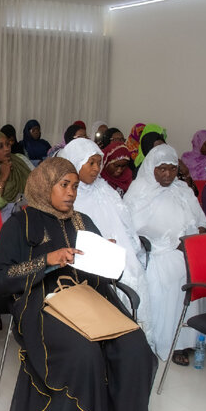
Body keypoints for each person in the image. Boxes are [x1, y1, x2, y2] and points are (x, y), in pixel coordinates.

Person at [0, 157, 157, 411]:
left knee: (136, 347)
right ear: (44, 185)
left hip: (89, 298)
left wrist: (107, 255)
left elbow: (106, 272)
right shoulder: (20, 223)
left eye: (75, 186)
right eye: (64, 185)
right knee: (85, 353)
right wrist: (47, 260)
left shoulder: (83, 221)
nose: (71, 193)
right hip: (42, 304)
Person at [124, 144, 206, 366]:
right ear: (152, 167)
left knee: (191, 269)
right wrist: (172, 242)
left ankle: (184, 339)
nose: (168, 174)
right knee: (173, 272)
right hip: (155, 251)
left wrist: (198, 230)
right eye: (162, 169)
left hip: (186, 248)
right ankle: (164, 341)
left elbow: (199, 217)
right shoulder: (139, 190)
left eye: (172, 169)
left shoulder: (182, 189)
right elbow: (132, 227)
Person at [60, 138, 150, 325]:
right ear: (75, 163)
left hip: (118, 252)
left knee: (133, 276)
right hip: (81, 262)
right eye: (90, 163)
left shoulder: (106, 190)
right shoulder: (66, 196)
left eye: (99, 163)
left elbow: (125, 224)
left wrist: (133, 249)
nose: (96, 169)